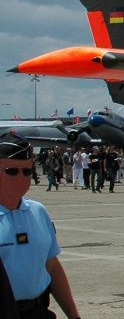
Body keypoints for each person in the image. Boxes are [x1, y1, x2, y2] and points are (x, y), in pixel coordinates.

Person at [0, 132, 80, 319]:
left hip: (38, 311)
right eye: (12, 171)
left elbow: (51, 266)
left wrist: (74, 316)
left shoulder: (38, 212)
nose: (21, 178)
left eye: (27, 171)